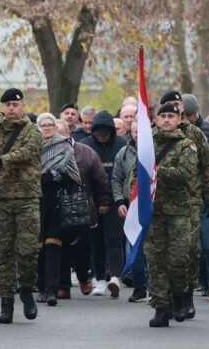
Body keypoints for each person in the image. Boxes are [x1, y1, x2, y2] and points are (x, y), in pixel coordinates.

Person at [135, 103, 200, 327]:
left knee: (178, 259)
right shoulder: (146, 144)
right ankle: (161, 307)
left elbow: (185, 174)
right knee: (155, 261)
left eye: (170, 116)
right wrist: (130, 200)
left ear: (179, 118)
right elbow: (135, 176)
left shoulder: (187, 144)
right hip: (153, 212)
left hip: (179, 212)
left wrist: (156, 172)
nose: (166, 120)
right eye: (162, 116)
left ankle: (180, 294)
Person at [0, 88, 43, 324]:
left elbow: (29, 153)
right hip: (0, 200)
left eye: (15, 104)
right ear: (2, 107)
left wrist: (2, 160)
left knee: (28, 250)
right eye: (7, 104)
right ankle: (7, 302)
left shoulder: (33, 131)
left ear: (22, 106)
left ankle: (27, 289)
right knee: (3, 254)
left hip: (27, 199)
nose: (11, 108)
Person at [180, 93, 209, 310]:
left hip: (204, 198)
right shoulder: (173, 131)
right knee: (187, 249)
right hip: (180, 199)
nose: (187, 119)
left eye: (190, 115)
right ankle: (185, 291)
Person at [55, 120, 111, 299]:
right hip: (57, 209)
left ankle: (83, 277)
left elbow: (100, 179)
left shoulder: (86, 152)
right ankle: (63, 285)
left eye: (60, 135)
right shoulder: (46, 154)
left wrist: (103, 202)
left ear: (68, 134)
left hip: (83, 208)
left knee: (83, 248)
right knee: (59, 246)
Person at [35, 113, 81, 306]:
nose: (46, 128)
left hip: (57, 201)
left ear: (55, 127)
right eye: (43, 125)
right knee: (38, 247)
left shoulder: (64, 145)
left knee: (53, 246)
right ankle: (41, 287)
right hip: (36, 200)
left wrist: (55, 176)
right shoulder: (33, 147)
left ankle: (52, 290)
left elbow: (74, 176)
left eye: (50, 124)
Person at [80, 110, 126, 297]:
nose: (102, 139)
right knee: (96, 242)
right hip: (92, 201)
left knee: (114, 239)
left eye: (106, 136)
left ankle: (115, 276)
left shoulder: (121, 145)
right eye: (99, 136)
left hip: (115, 200)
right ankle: (99, 279)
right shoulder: (85, 146)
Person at [112, 119, 149, 302]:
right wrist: (119, 202)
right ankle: (140, 286)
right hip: (131, 206)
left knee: (153, 248)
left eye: (141, 131)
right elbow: (116, 179)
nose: (138, 135)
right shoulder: (123, 153)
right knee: (135, 248)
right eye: (135, 131)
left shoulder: (153, 151)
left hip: (152, 205)